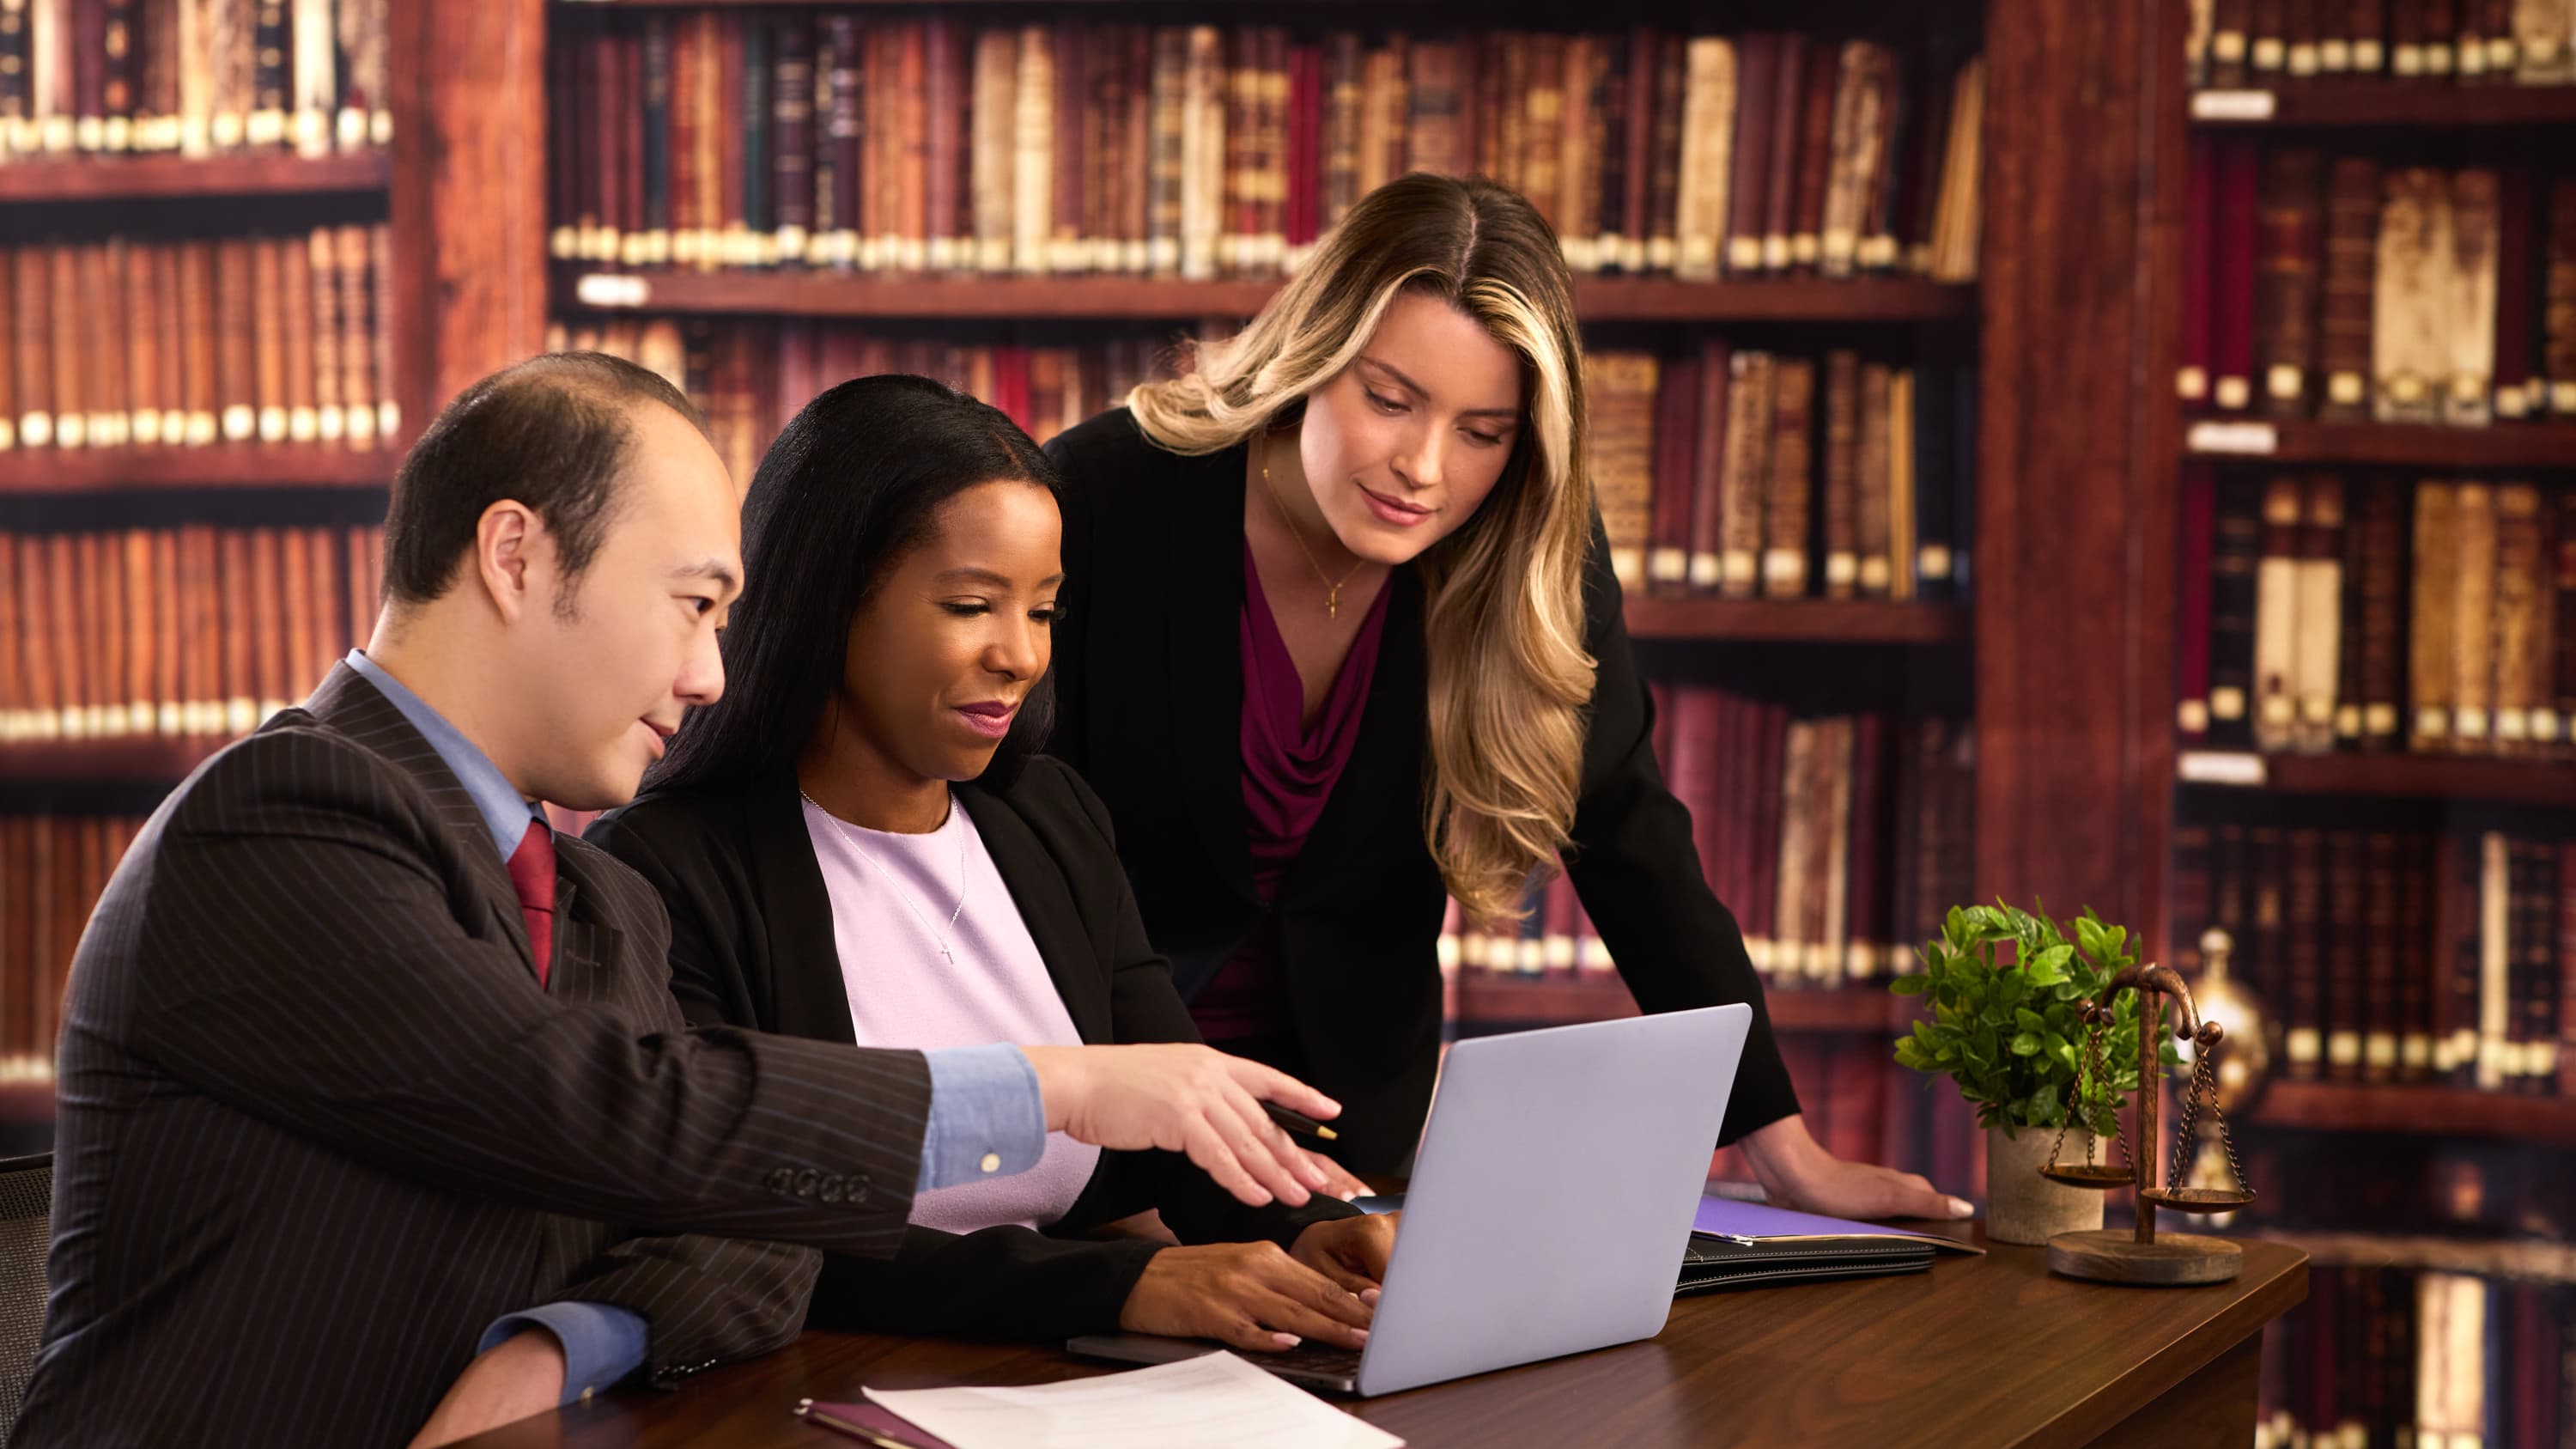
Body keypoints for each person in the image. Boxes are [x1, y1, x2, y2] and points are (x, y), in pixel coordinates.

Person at [17, 355, 1346, 1449]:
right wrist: (1047, 1086)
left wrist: (559, 1346)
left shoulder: (593, 895)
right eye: (693, 604)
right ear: (517, 555)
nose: (713, 671)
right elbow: (604, 1105)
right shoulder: (287, 810)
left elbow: (751, 1225)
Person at [1041, 173, 1972, 1219]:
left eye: (1482, 432)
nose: (1421, 469)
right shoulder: (1101, 500)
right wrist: (1125, 1206)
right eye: (1388, 400)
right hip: (1099, 1121)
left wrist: (1782, 1145)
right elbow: (1007, 849)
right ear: (1311, 356)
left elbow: (1630, 836)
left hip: (1346, 1134)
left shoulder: (1529, 552)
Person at [591, 374, 1392, 1357]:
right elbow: (763, 1225)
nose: (1020, 655)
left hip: (1060, 1377)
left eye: (1045, 612)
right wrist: (1123, 1284)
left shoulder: (1049, 819)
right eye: (973, 605)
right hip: (814, 1386)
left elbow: (1179, 1116)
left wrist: (1307, 1228)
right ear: (828, 598)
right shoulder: (663, 871)